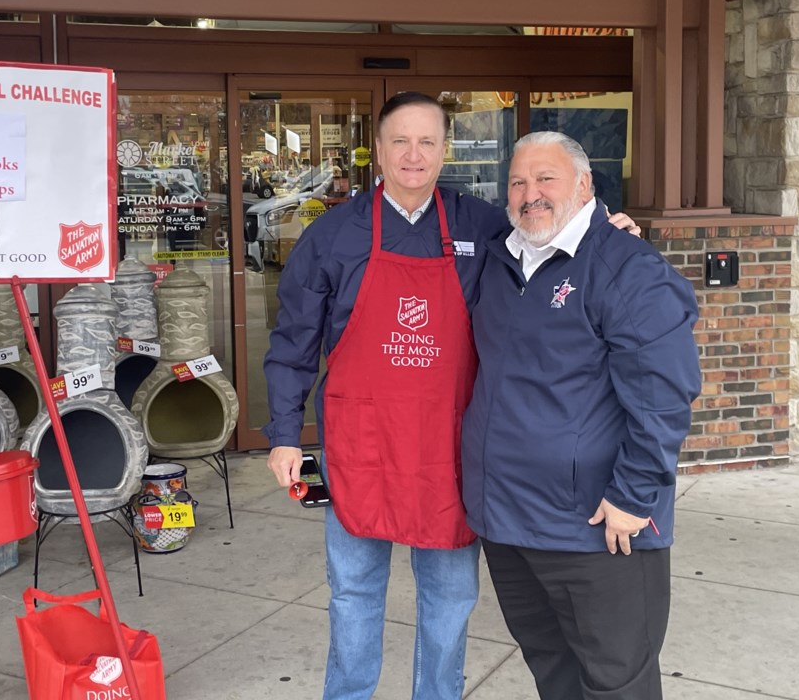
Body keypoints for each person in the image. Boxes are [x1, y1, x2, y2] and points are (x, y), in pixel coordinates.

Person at [263, 93, 640, 700]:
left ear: (445, 151)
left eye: (428, 142)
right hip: (360, 444)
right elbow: (294, 340)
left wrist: (604, 230)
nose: (414, 155)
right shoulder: (332, 235)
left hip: (449, 447)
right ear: (377, 152)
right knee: (354, 589)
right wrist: (284, 433)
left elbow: (549, 238)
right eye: (400, 142)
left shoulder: (480, 224)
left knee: (450, 595)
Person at [460, 131, 701, 700]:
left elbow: (663, 397)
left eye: (546, 179)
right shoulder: (500, 261)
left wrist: (633, 497)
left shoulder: (626, 268)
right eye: (518, 182)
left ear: (585, 185)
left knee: (617, 682)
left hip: (598, 527)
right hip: (509, 522)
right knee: (553, 668)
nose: (530, 193)